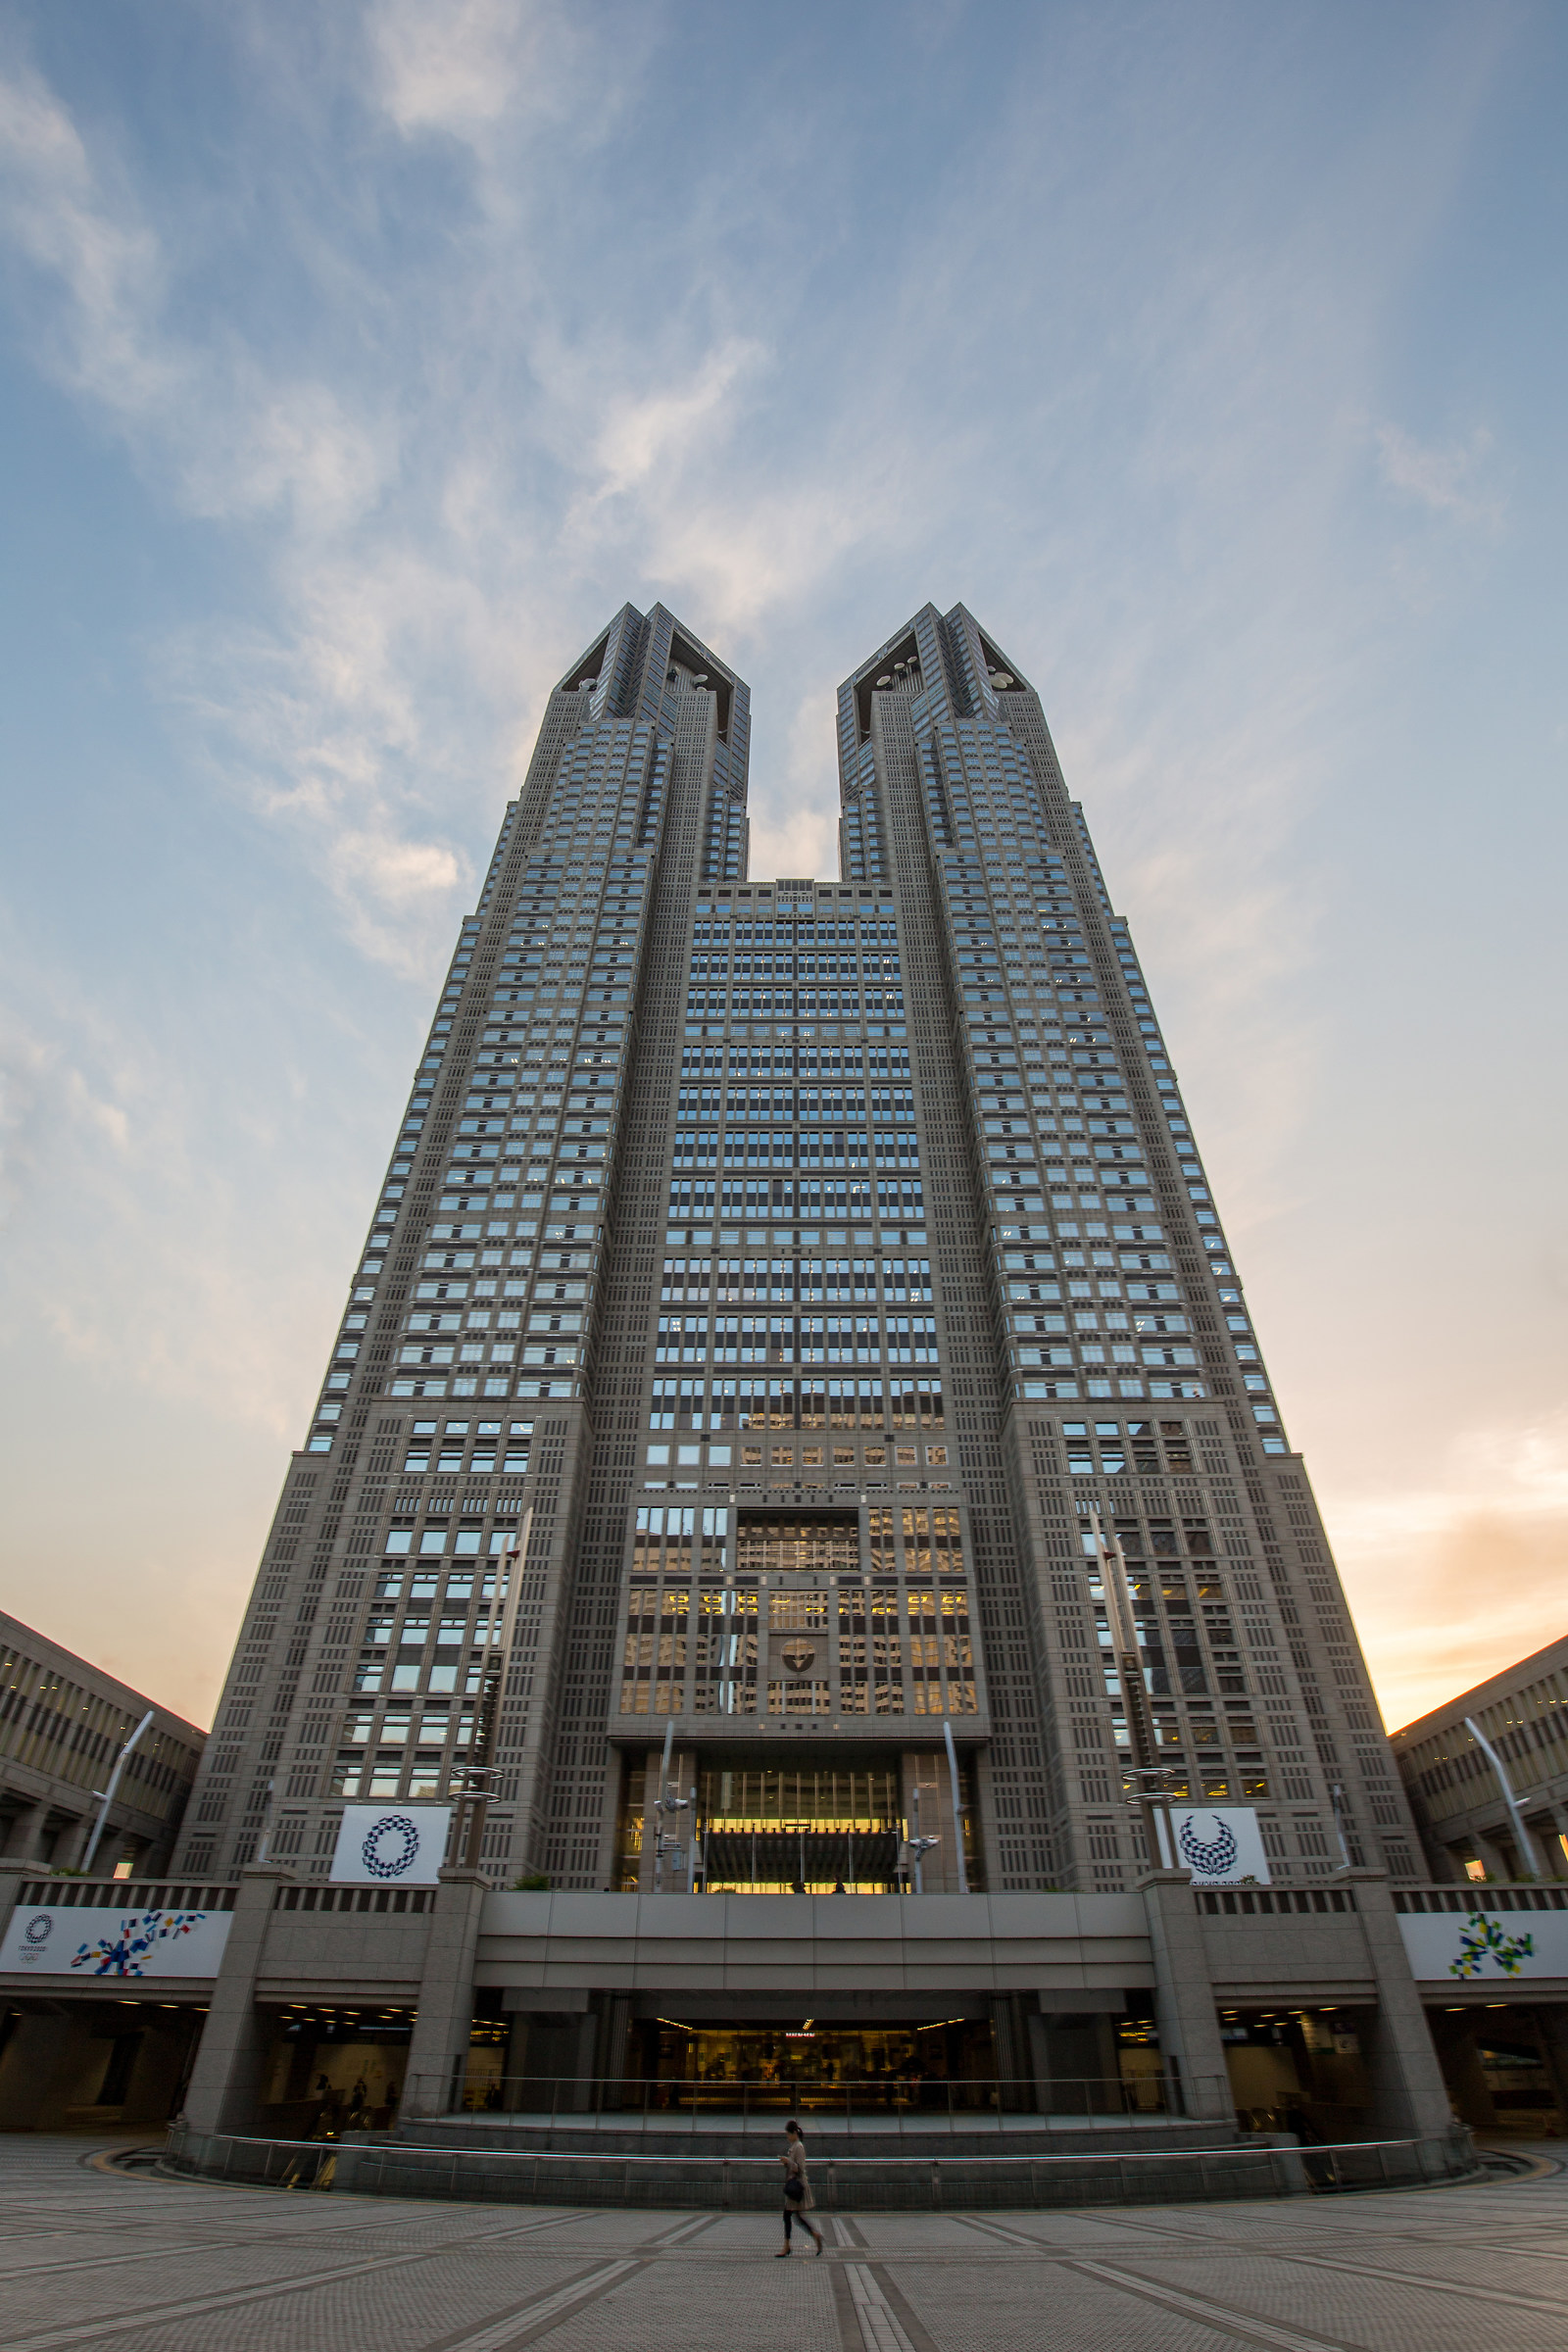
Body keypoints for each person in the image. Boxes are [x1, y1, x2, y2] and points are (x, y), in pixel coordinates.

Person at [776, 2119, 824, 2257]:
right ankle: (813, 2236)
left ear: (793, 2133)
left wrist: (788, 2162)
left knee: (789, 2215)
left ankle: (788, 2246)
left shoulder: (799, 2147)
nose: (787, 2137)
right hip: (795, 2185)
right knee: (794, 2216)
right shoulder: (795, 2146)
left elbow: (800, 2168)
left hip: (797, 2186)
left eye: (787, 2134)